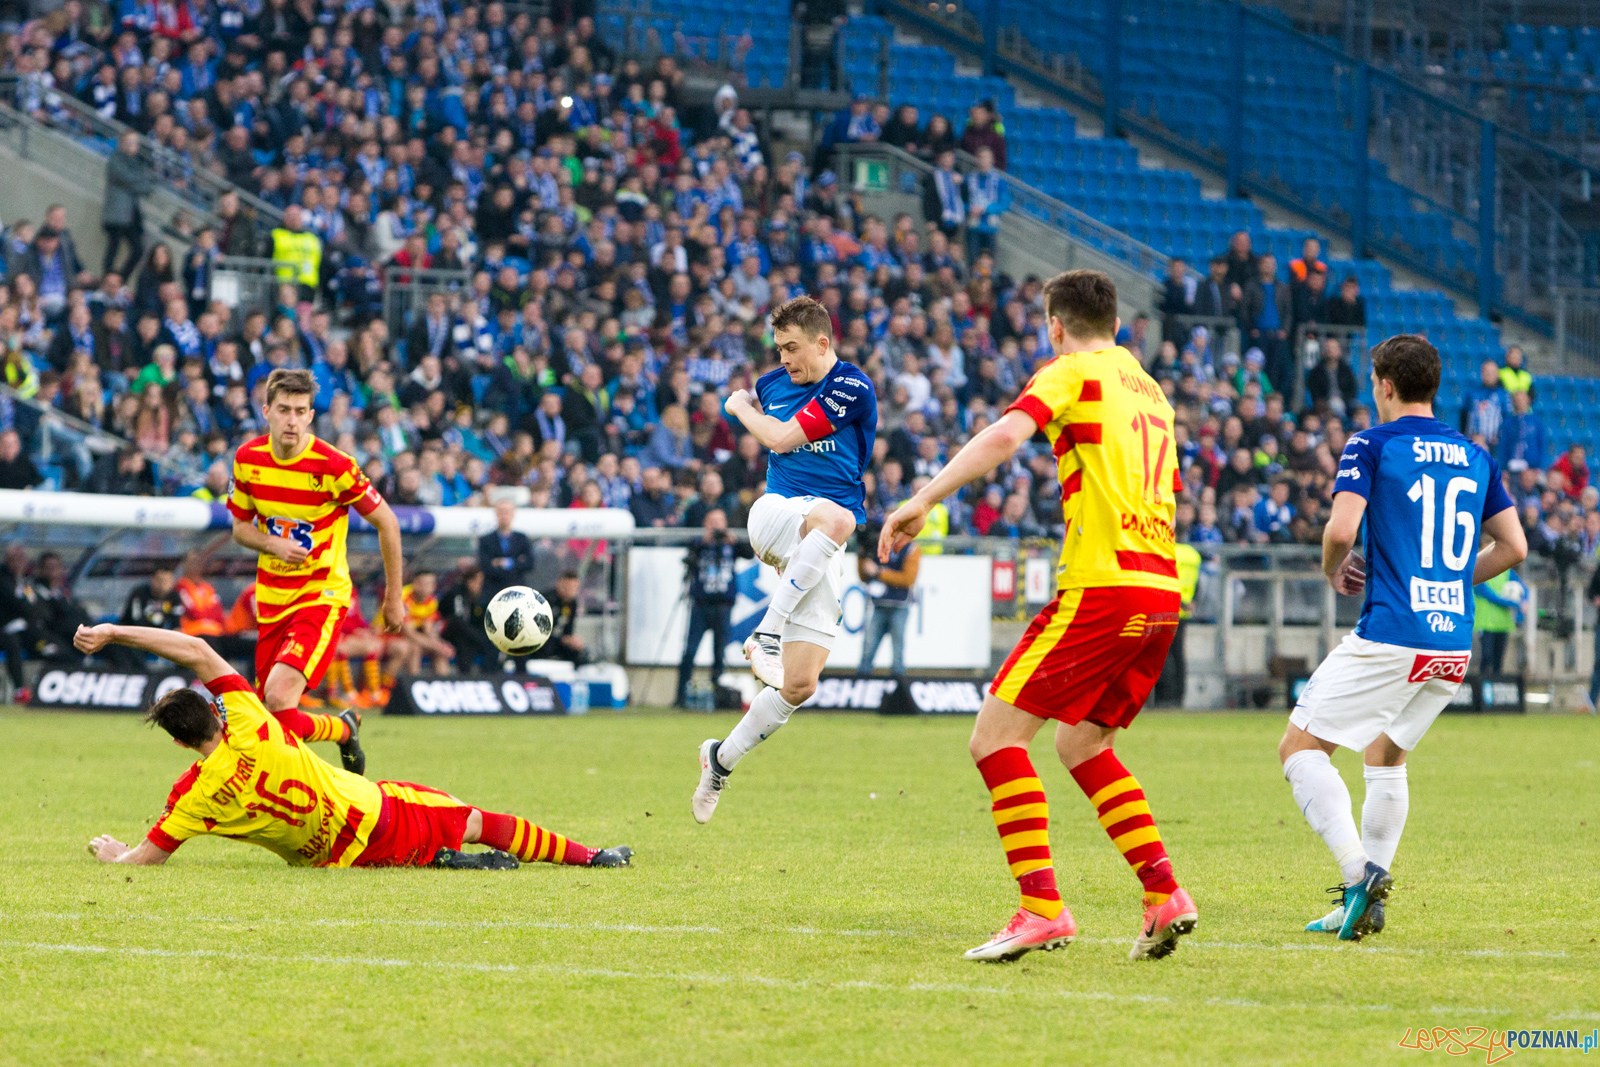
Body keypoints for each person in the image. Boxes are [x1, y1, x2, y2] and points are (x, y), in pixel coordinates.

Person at [880, 270, 1197, 963]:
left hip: (1102, 585)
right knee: (1082, 745)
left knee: (995, 737)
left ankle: (1041, 906)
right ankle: (1164, 891)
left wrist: (924, 497)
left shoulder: (1070, 372)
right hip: (1161, 590)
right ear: (1116, 322)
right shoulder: (1151, 393)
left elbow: (1004, 436)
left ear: (1055, 325)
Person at [1280, 334, 1524, 943]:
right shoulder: (1474, 453)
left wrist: (1331, 566)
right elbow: (1514, 546)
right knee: (1384, 756)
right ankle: (1371, 903)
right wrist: (1445, 580)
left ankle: (1359, 875)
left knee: (1299, 748)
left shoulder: (1370, 443)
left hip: (1392, 631)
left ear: (1383, 385)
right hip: (1451, 640)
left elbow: (1341, 529)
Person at [73, 622, 632, 872]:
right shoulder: (249, 719)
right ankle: (591, 856)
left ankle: (441, 861)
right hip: (376, 815)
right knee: (478, 820)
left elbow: (149, 857)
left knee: (436, 841)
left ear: (177, 741)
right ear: (217, 710)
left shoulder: (193, 797)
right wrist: (116, 632)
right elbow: (196, 648)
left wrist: (116, 855)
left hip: (334, 860)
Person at [692, 296, 877, 824]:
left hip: (818, 540)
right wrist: (747, 401)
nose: (785, 359)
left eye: (793, 348)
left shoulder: (850, 387)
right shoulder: (773, 384)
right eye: (778, 349)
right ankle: (765, 634)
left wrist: (738, 406)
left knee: (798, 684)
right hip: (774, 513)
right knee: (841, 520)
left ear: (823, 343)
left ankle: (718, 760)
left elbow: (776, 435)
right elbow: (767, 426)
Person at [228, 369, 405, 775]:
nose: (292, 419)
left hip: (320, 596)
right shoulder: (247, 459)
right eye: (284, 410)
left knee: (277, 696)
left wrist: (393, 599)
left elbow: (388, 522)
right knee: (272, 719)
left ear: (310, 416)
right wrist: (271, 543)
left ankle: (317, 789)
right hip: (271, 602)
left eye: (300, 411)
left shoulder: (334, 465)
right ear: (267, 411)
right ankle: (341, 729)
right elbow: (239, 528)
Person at [674, 508, 753, 708]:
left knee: (719, 653)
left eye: (720, 521)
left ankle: (718, 697)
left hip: (723, 606)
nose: (717, 526)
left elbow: (749, 553)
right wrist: (704, 541)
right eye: (713, 522)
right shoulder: (699, 543)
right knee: (690, 651)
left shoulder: (730, 545)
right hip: (701, 605)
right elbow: (689, 558)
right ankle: (680, 697)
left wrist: (733, 540)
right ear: (705, 524)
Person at [854, 530, 919, 677]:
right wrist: (862, 556)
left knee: (897, 652)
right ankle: (861, 683)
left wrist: (879, 573)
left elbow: (908, 579)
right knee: (867, 649)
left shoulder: (911, 548)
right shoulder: (877, 546)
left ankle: (898, 686)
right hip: (879, 605)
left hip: (899, 606)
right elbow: (864, 576)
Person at [103, 564, 185, 672]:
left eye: (167, 581)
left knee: (184, 650)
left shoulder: (174, 597)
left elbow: (176, 626)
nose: (163, 585)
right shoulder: (139, 593)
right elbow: (137, 624)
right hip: (129, 635)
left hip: (156, 637)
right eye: (160, 580)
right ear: (153, 580)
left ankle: (183, 679)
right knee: (131, 650)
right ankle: (143, 677)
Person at [102, 131, 153, 277]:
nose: (133, 146)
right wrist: (142, 182)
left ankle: (120, 280)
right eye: (129, 142)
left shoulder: (137, 162)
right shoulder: (115, 159)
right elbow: (129, 179)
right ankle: (108, 280)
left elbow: (145, 184)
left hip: (131, 215)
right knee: (113, 249)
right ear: (121, 143)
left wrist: (142, 182)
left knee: (138, 249)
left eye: (135, 142)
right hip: (116, 214)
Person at [441, 565, 499, 672]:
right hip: (450, 634)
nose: (480, 586)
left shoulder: (479, 598)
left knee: (492, 645)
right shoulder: (457, 594)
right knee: (465, 644)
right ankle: (465, 677)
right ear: (469, 581)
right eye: (478, 582)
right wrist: (479, 637)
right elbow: (457, 621)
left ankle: (489, 677)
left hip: (470, 634)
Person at [477, 498, 534, 598]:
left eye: (507, 511)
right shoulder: (486, 540)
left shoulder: (522, 539)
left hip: (517, 592)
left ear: (513, 514)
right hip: (493, 593)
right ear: (496, 514)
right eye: (501, 511)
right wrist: (517, 562)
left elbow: (529, 564)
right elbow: (485, 566)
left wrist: (504, 563)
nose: (504, 515)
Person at [1474, 565, 1524, 676]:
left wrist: (1525, 600)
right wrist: (1515, 603)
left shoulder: (1506, 572)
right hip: (1486, 623)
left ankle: (1497, 686)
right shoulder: (1479, 570)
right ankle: (1484, 687)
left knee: (1499, 660)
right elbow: (1487, 594)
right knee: (1487, 657)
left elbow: (1524, 588)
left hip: (1503, 624)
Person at [543, 571, 587, 665]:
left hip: (559, 643)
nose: (570, 591)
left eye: (574, 588)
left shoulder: (572, 604)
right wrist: (562, 639)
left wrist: (571, 640)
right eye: (568, 587)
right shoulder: (546, 601)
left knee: (580, 653)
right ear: (559, 584)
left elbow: (568, 629)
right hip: (543, 643)